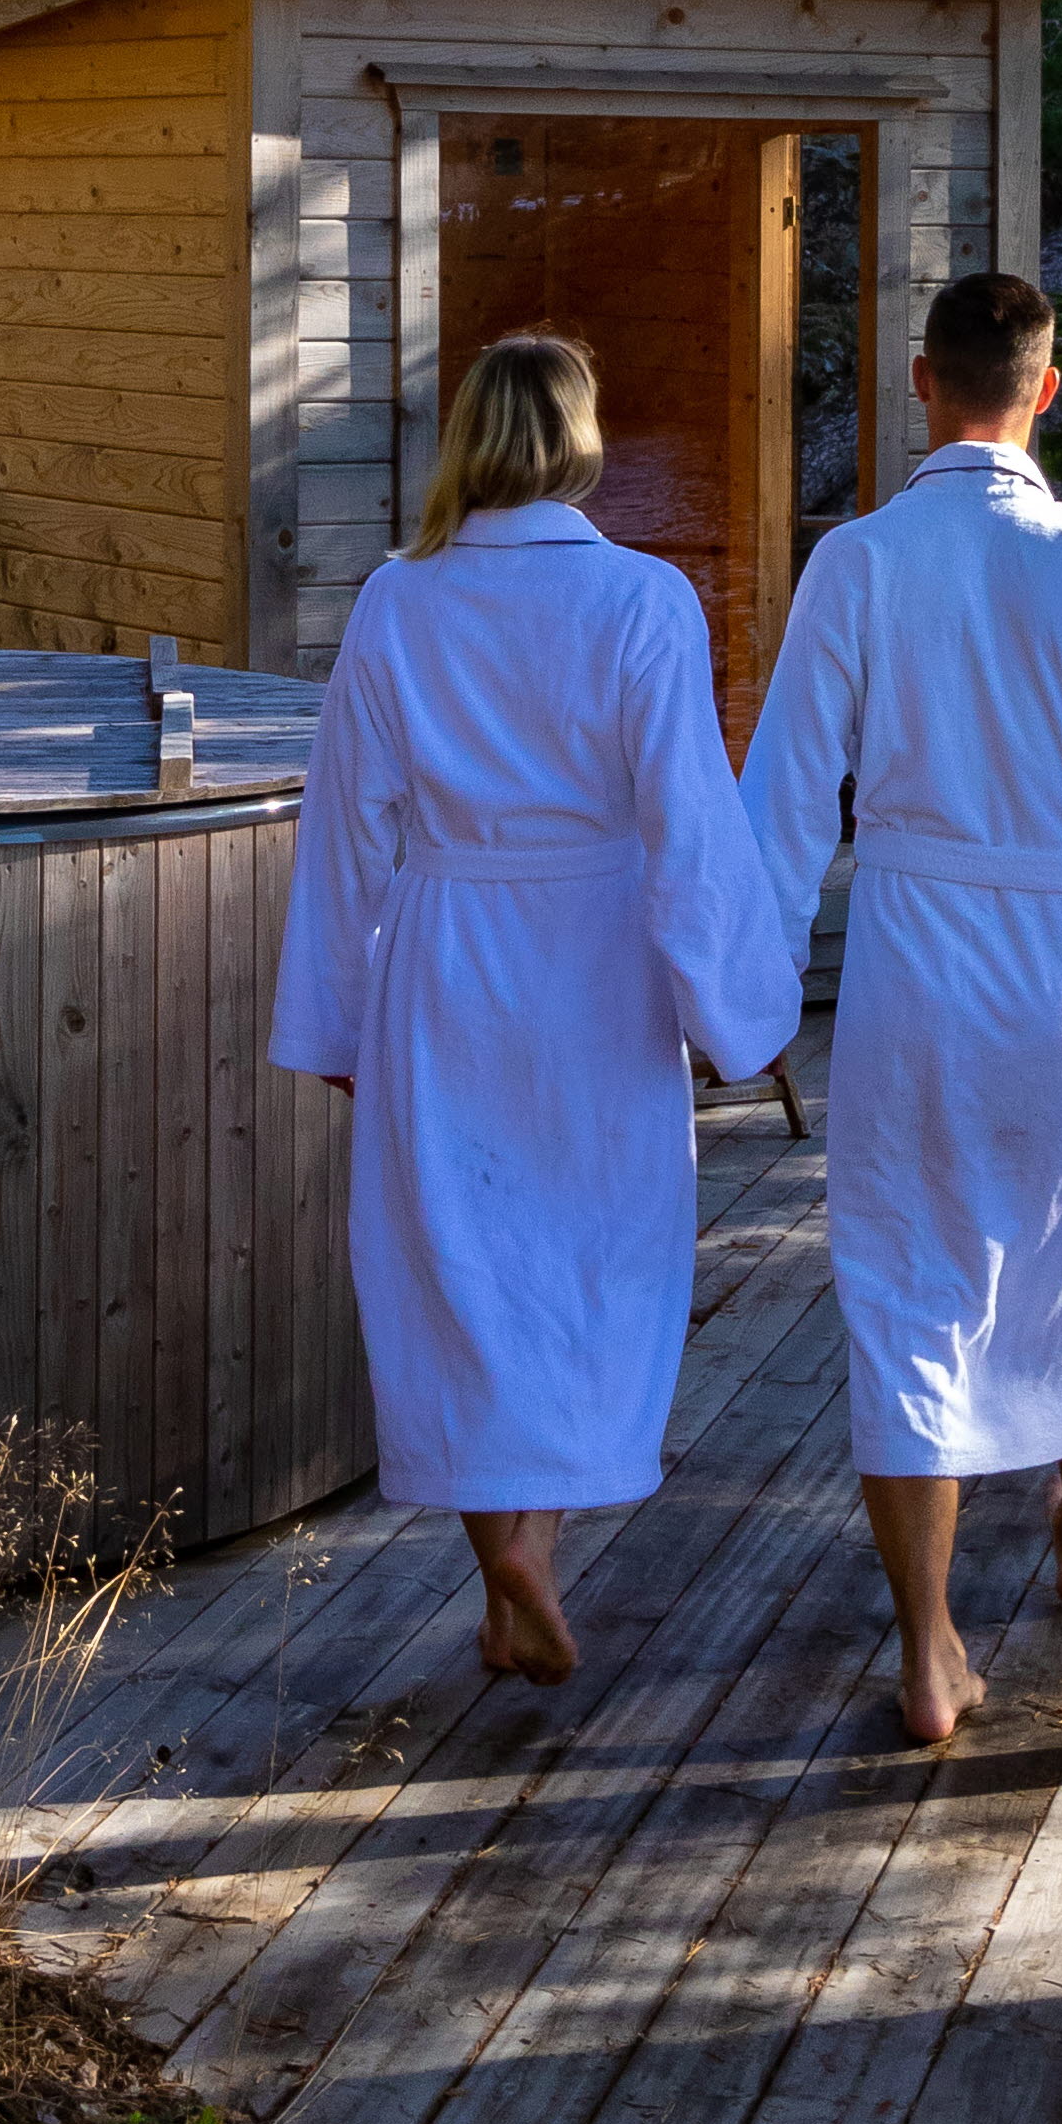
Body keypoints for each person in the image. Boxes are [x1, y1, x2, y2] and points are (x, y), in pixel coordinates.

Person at [741, 270, 1062, 1746]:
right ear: (1046, 388)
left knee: (909, 1287)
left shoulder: (858, 561)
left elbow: (785, 797)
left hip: (914, 954)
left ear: (922, 384)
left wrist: (748, 989)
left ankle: (930, 1647)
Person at [269, 330, 800, 1687]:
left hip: (442, 954)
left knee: (458, 1254)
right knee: (586, 1253)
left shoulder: (399, 599)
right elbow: (688, 822)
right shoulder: (643, 601)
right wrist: (739, 1008)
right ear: (579, 437)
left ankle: (505, 1564)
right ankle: (534, 1561)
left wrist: (332, 1019)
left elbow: (346, 828)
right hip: (595, 966)